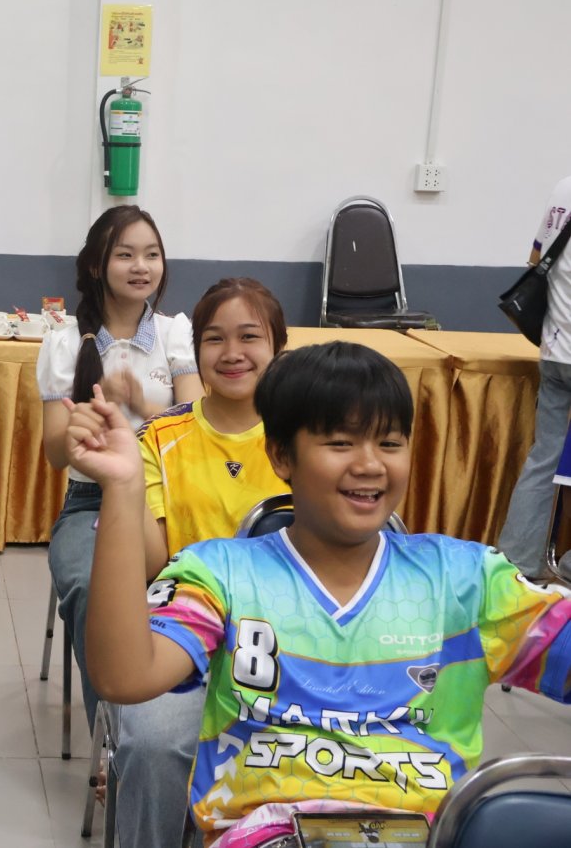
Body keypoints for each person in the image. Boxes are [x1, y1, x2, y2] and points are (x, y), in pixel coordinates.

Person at [72, 341, 571, 848]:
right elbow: (123, 676)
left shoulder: (468, 581)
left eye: (390, 443)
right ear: (281, 455)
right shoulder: (219, 574)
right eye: (340, 443)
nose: (370, 464)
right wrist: (123, 488)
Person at [110, 278, 290, 848]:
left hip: (292, 639)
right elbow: (153, 561)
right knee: (153, 744)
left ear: (278, 346)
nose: (232, 353)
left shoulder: (307, 434)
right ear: (196, 352)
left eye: (249, 337)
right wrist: (123, 483)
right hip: (186, 639)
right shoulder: (161, 437)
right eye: (215, 339)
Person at [36, 204, 203, 726]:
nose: (141, 266)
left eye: (152, 255)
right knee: (94, 587)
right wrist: (81, 426)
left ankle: (195, 727)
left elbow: (197, 431)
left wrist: (142, 405)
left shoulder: (176, 334)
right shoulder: (64, 342)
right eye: (126, 255)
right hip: (93, 502)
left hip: (172, 500)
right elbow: (54, 455)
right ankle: (113, 737)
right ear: (96, 265)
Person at [500, 176, 571, 579]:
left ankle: (516, 561)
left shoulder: (564, 188)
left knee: (544, 458)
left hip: (556, 347)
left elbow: (536, 257)